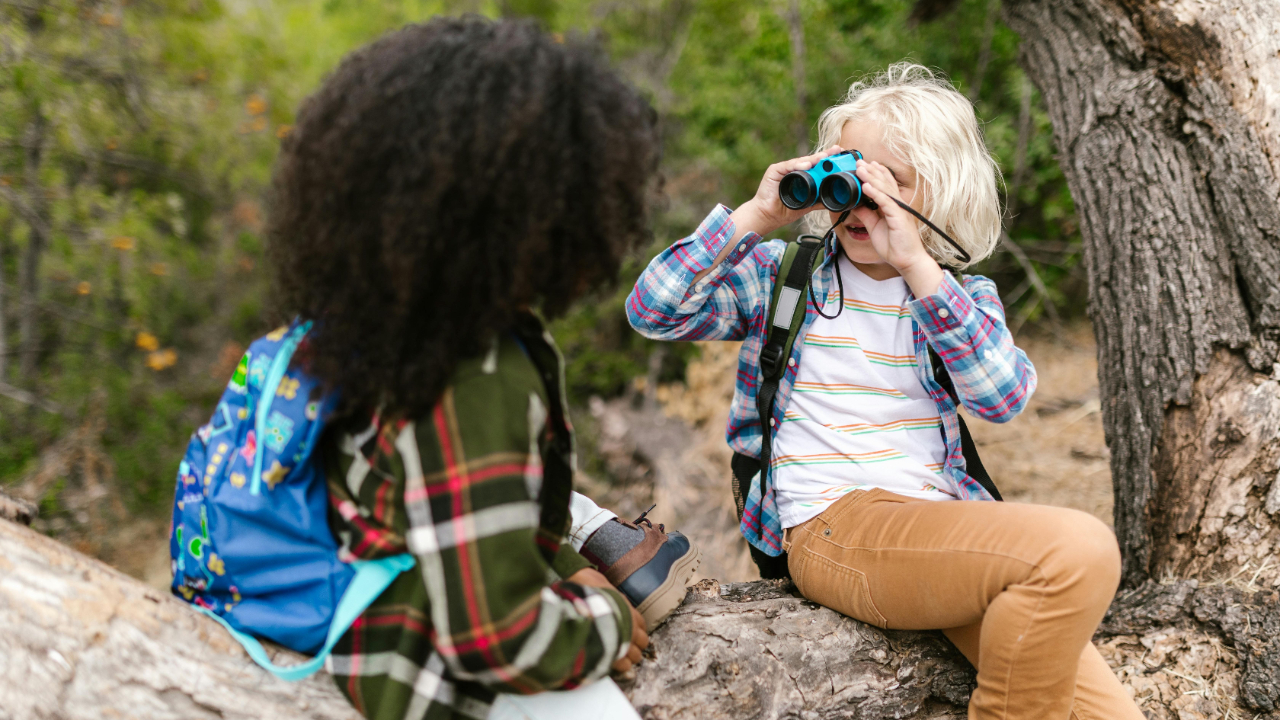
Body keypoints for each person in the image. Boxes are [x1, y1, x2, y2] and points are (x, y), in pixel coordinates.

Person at [626, 63, 1144, 720]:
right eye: (848, 175)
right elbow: (653, 310)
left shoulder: (956, 295)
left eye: (886, 183)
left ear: (942, 192)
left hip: (938, 532)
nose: (859, 202)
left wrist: (916, 263)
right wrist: (758, 214)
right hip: (833, 526)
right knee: (1078, 550)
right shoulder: (783, 279)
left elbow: (1003, 397)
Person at [267, 17, 698, 720]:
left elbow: (447, 515)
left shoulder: (377, 323)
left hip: (355, 628)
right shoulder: (479, 375)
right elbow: (494, 639)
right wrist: (603, 624)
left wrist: (568, 568)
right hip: (423, 682)